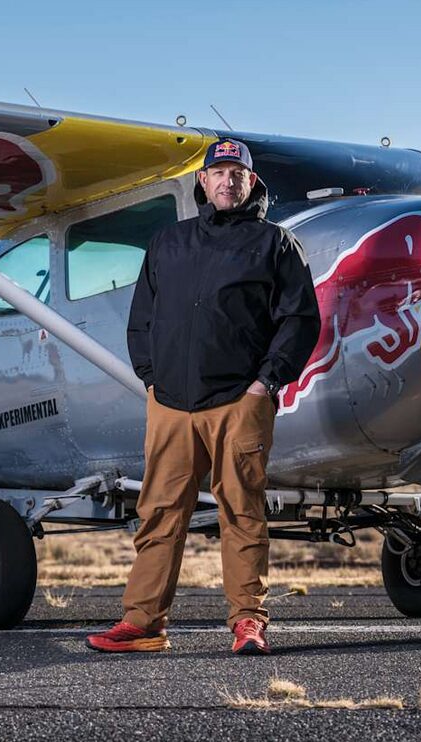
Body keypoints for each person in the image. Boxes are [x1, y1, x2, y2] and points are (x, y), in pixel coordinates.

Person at [87, 138, 320, 655]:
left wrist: (264, 384)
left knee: (242, 511)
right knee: (160, 512)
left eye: (237, 173)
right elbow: (141, 320)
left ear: (251, 182)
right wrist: (151, 379)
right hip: (170, 404)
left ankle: (247, 622)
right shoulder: (169, 242)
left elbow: (301, 320)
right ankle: (143, 623)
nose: (227, 181)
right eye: (218, 173)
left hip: (239, 401)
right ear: (203, 182)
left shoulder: (275, 244)